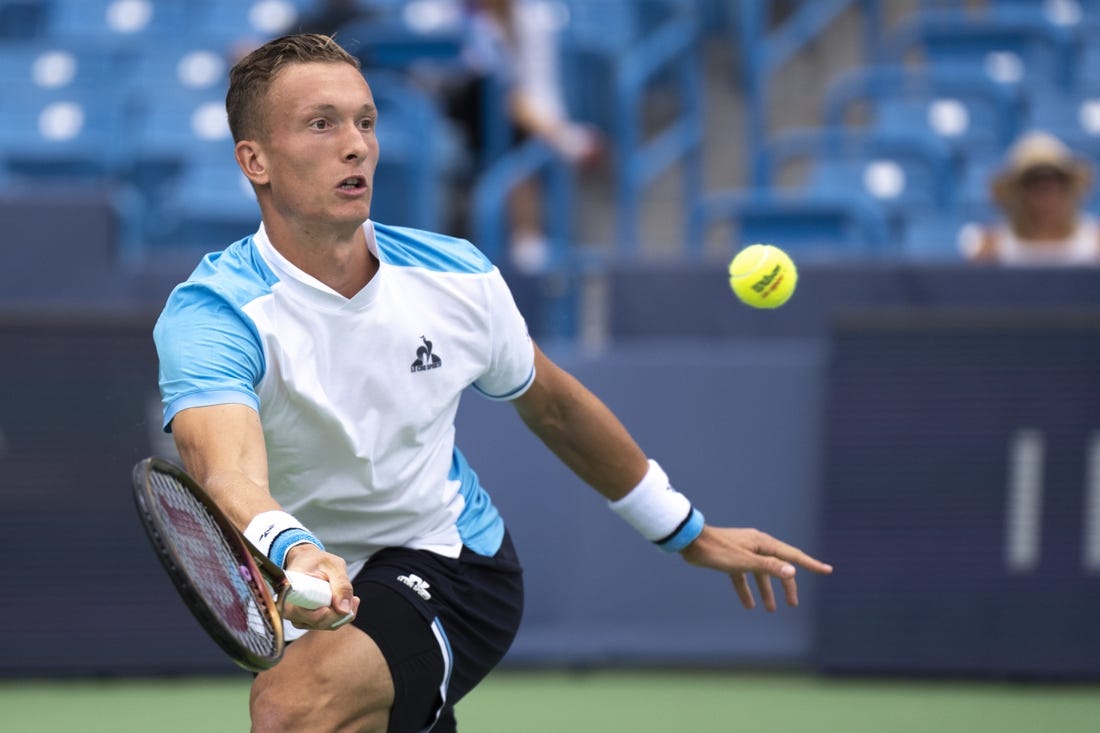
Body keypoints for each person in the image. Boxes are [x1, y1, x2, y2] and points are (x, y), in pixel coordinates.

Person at [153, 33, 832, 733]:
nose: (356, 145)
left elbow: (557, 408)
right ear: (254, 160)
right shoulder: (216, 313)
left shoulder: (457, 279)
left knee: (292, 708)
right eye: (321, 124)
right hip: (307, 581)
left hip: (450, 560)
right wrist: (296, 551)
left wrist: (683, 528)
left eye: (365, 121)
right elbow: (226, 471)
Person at [438, 0, 603, 273]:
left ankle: (527, 236)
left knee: (510, 111)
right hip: (447, 112)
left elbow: (540, 89)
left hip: (505, 120)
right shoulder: (443, 13)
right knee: (502, 100)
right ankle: (567, 142)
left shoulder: (536, 18)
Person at [959, 130, 1100, 265]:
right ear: (1018, 193)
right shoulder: (991, 248)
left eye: (1056, 182)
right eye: (1033, 183)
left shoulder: (1094, 243)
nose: (1046, 194)